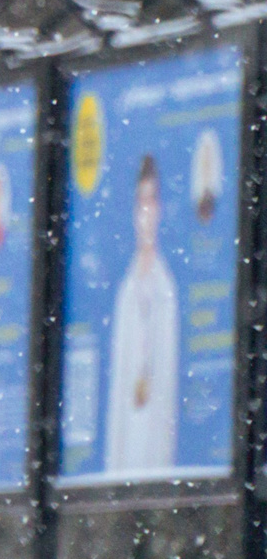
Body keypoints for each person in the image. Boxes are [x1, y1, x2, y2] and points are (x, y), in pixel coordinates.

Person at [105, 154, 180, 474]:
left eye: (152, 202)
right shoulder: (126, 292)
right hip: (126, 452)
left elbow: (167, 390)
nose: (146, 213)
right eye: (141, 203)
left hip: (155, 452)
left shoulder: (167, 291)